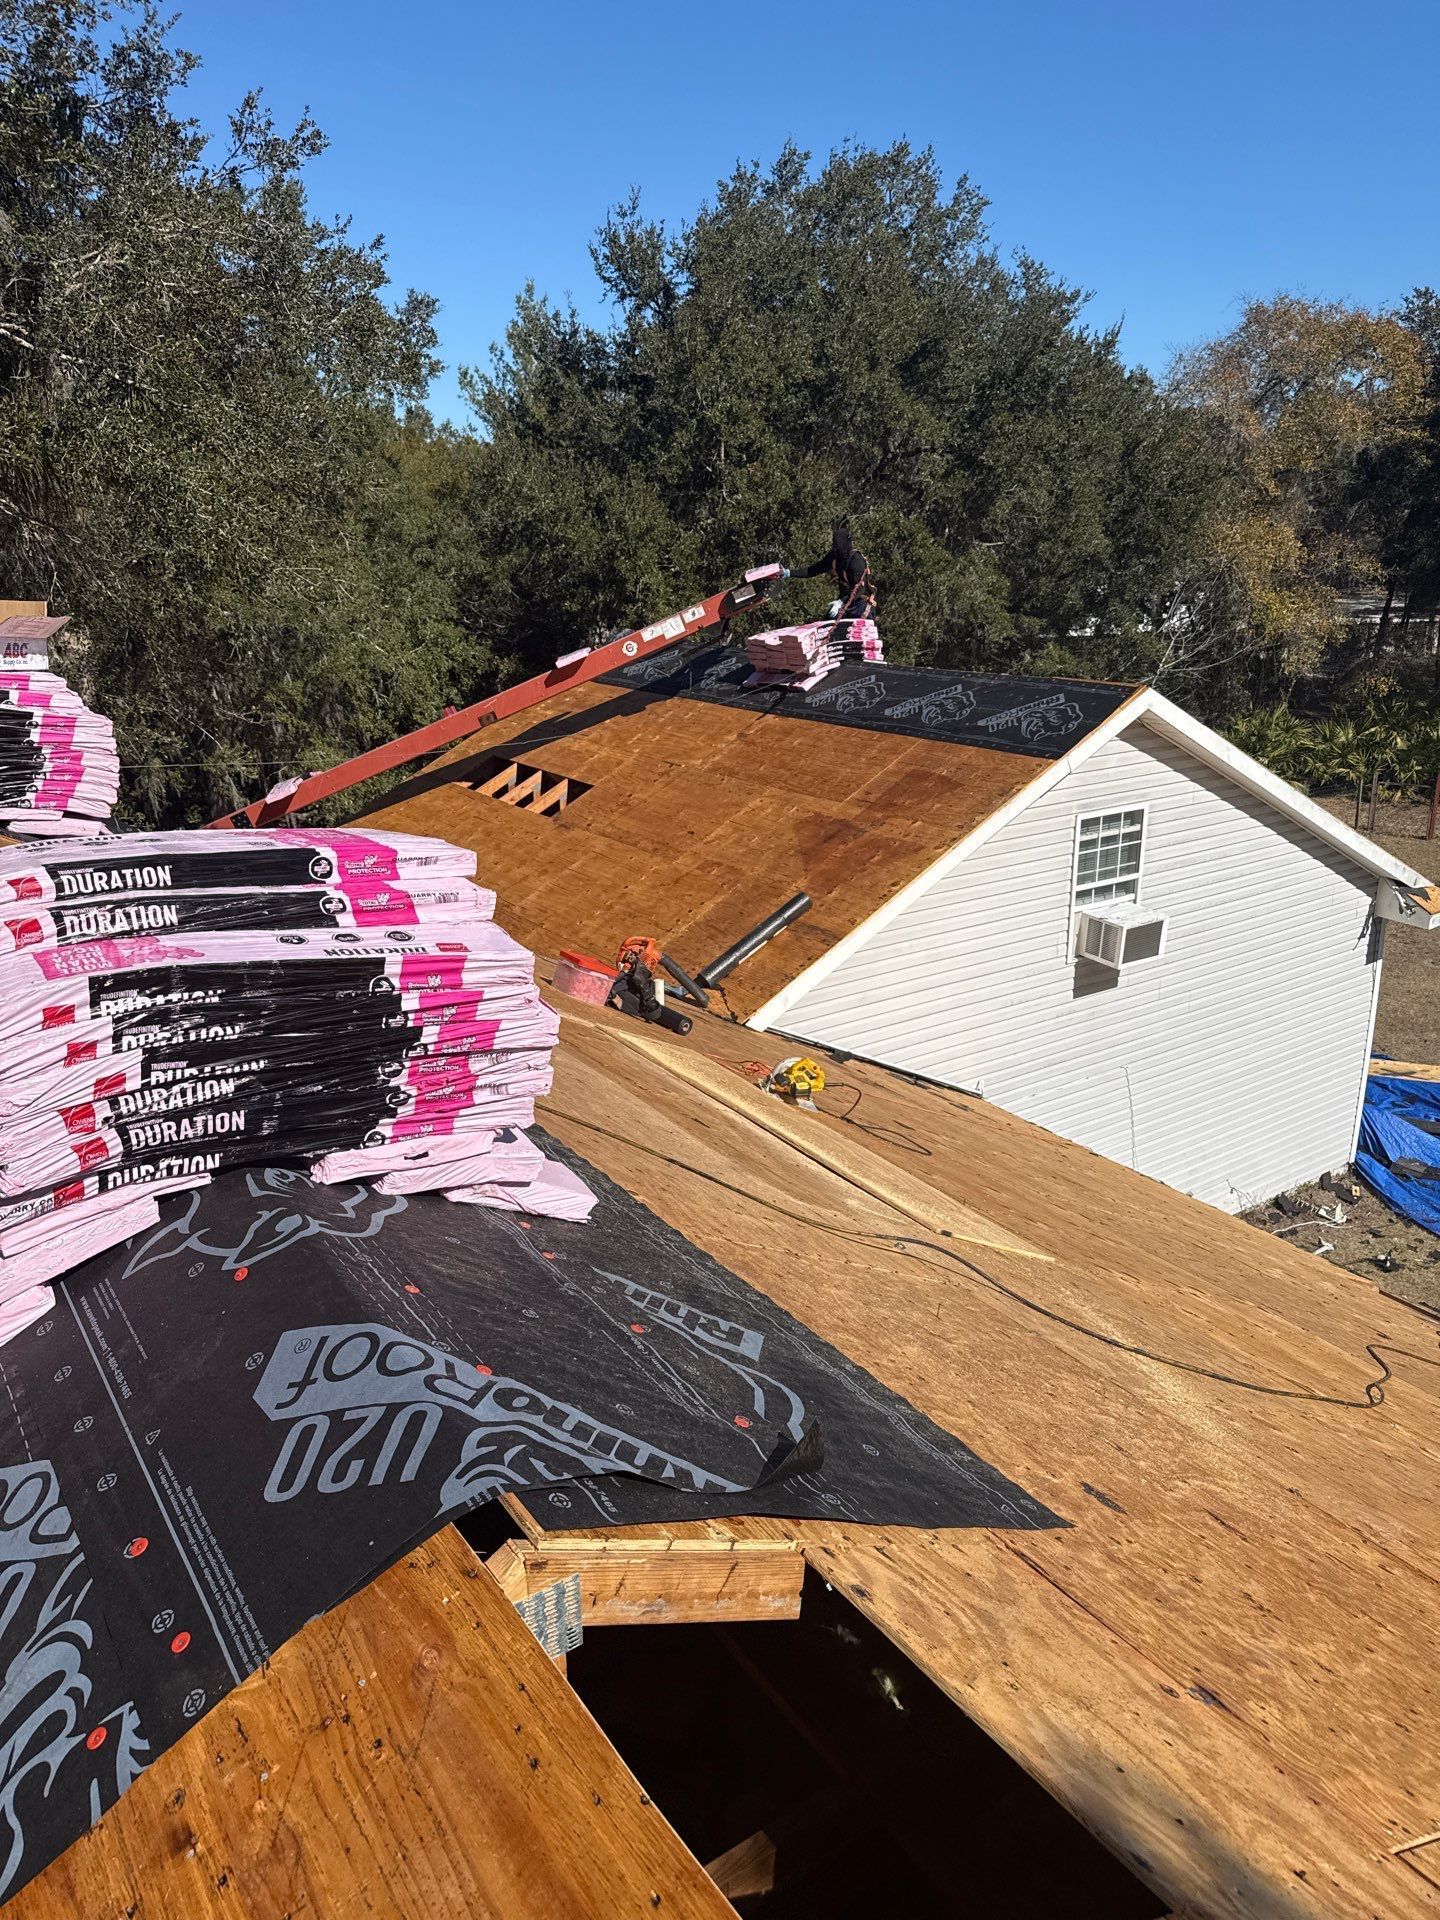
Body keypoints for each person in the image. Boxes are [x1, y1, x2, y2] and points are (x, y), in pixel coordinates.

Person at [786, 519, 877, 623]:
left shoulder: (856, 561)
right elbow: (813, 570)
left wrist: (841, 602)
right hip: (844, 603)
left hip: (860, 606)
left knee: (855, 636)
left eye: (838, 545)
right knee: (825, 628)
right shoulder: (834, 557)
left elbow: (859, 590)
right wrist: (789, 573)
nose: (837, 548)